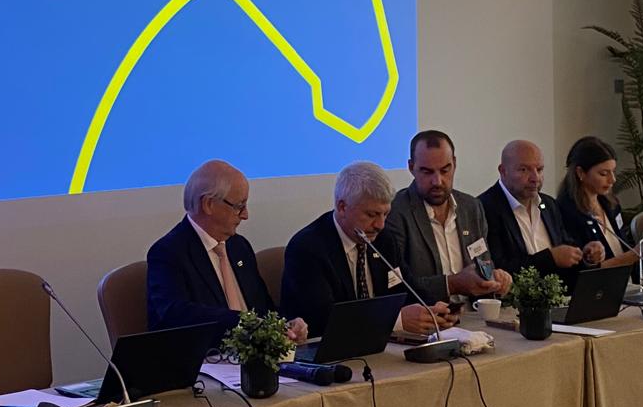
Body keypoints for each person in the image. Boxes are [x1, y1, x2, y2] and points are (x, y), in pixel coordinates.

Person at [280, 161, 455, 340]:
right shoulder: (308, 248)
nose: (380, 225)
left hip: (382, 345)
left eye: (385, 214)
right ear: (342, 207)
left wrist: (434, 309)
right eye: (371, 215)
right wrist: (396, 321)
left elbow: (407, 288)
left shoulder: (384, 239)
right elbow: (323, 320)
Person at [145, 159, 306, 340]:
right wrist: (243, 322)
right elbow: (176, 315)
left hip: (256, 352)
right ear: (208, 204)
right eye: (239, 206)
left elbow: (263, 308)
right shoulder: (168, 253)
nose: (245, 215)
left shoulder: (239, 246)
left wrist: (286, 325)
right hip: (208, 354)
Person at [381, 130, 511, 306]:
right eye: (427, 172)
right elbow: (396, 285)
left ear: (454, 164)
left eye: (445, 170)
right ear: (411, 167)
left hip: (474, 314)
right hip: (429, 317)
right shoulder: (395, 213)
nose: (437, 181)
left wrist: (494, 279)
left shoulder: (471, 207)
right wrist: (452, 284)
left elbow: (483, 262)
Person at [555, 136, 643, 285]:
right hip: (601, 289)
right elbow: (586, 273)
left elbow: (623, 249)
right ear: (580, 173)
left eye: (613, 172)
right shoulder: (566, 213)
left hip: (628, 284)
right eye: (603, 174)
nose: (612, 180)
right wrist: (637, 253)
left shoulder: (611, 204)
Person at [477, 139, 580, 279]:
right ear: (503, 171)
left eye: (539, 169)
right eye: (524, 170)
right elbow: (495, 269)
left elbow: (565, 248)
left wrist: (585, 255)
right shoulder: (483, 208)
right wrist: (549, 258)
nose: (535, 178)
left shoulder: (549, 204)